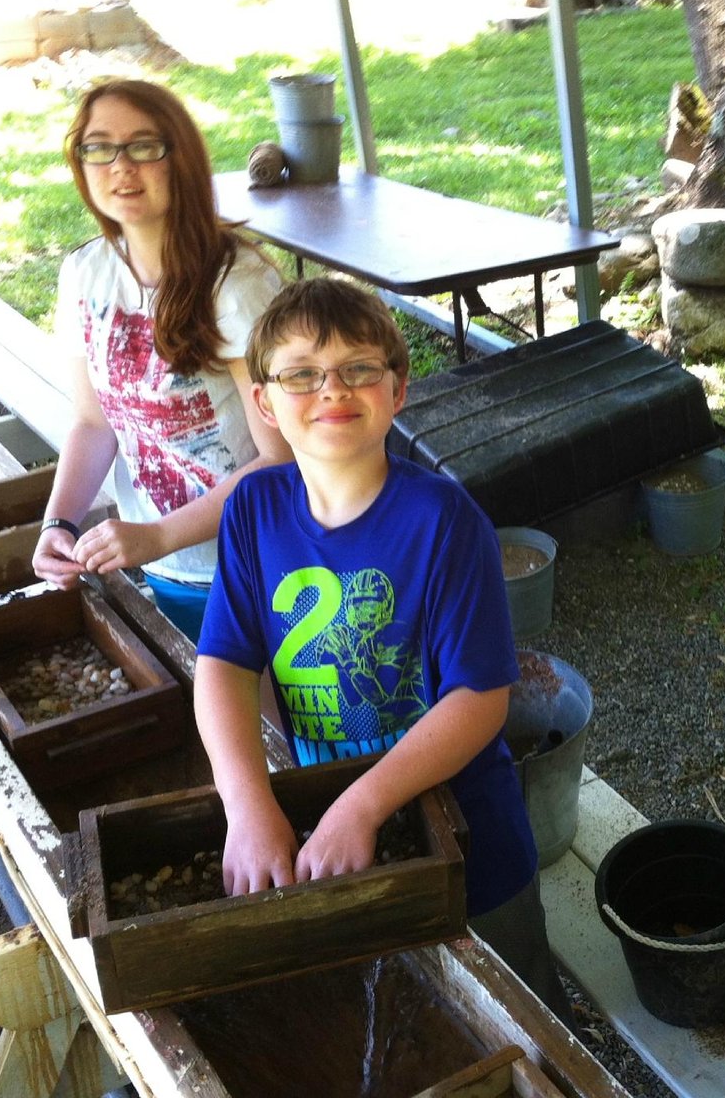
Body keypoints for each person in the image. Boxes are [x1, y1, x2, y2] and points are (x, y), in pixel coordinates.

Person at [193, 276, 576, 1028]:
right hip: (326, 810)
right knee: (397, 1011)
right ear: (265, 403)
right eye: (301, 373)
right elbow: (225, 666)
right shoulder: (253, 509)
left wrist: (363, 804)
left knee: (521, 1015)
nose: (332, 388)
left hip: (468, 837)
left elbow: (479, 698)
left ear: (397, 390)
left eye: (359, 369)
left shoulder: (445, 519)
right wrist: (247, 804)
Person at [32, 78, 291, 641]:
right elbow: (93, 421)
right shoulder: (84, 274)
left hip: (258, 562)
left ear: (182, 159)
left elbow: (282, 456)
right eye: (99, 147)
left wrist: (157, 535)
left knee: (275, 722)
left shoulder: (235, 284)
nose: (121, 166)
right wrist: (60, 520)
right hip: (168, 568)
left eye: (144, 145)